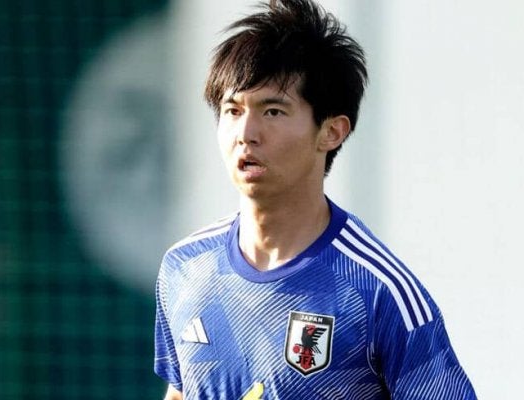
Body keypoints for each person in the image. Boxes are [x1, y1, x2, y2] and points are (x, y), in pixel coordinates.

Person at [153, 0, 476, 398]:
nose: (246, 134)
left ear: (331, 132)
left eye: (273, 111)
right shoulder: (186, 267)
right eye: (233, 110)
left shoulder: (378, 291)